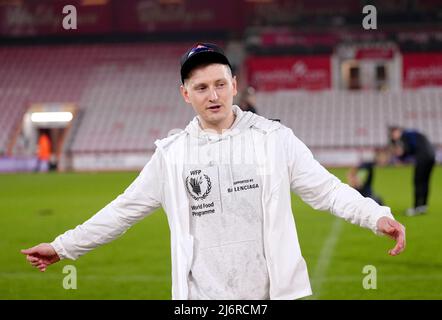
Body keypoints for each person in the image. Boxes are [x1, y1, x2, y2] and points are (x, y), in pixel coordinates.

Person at [21, 43, 406, 300]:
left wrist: (376, 216)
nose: (213, 95)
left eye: (221, 84)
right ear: (185, 94)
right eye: (201, 87)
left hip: (272, 296)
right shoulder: (171, 155)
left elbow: (328, 190)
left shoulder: (275, 138)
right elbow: (123, 210)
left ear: (235, 86)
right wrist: (63, 246)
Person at [389, 126, 436, 216]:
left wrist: (400, 155)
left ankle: (416, 207)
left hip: (422, 158)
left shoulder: (405, 135)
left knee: (417, 182)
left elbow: (409, 150)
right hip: (431, 157)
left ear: (397, 131)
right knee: (425, 182)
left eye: (393, 134)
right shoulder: (412, 133)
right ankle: (423, 206)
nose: (393, 137)